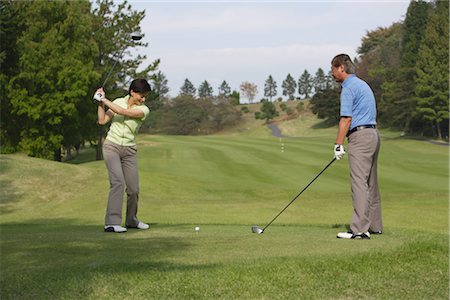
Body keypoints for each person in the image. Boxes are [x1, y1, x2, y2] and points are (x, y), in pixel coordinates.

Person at [330, 54, 382, 240]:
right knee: (371, 183)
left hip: (360, 137)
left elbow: (346, 119)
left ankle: (360, 230)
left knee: (359, 182)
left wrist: (338, 144)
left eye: (333, 69)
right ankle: (374, 226)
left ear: (341, 68)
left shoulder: (348, 88)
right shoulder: (362, 84)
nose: (332, 73)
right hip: (373, 135)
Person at [96, 79, 151, 233]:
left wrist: (104, 99)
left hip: (129, 150)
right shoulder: (118, 101)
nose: (144, 99)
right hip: (111, 146)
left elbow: (123, 112)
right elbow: (102, 120)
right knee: (118, 182)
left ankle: (131, 220)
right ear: (132, 92)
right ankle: (112, 223)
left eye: (146, 96)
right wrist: (100, 103)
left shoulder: (144, 110)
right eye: (142, 95)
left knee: (133, 188)